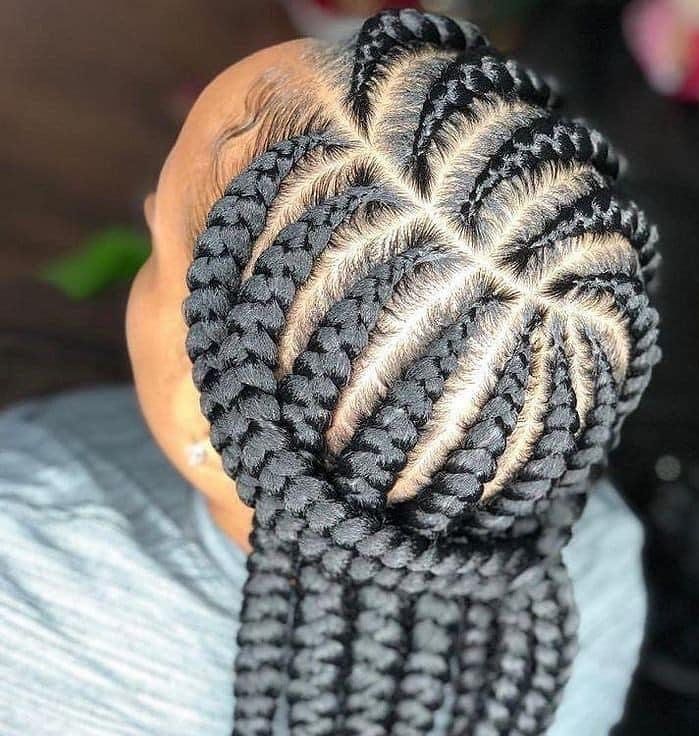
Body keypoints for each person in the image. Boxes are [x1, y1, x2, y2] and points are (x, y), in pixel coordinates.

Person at [0, 9, 660, 735]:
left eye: (160, 246)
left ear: (205, 420)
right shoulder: (600, 564)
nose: (151, 204)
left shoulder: (24, 558)